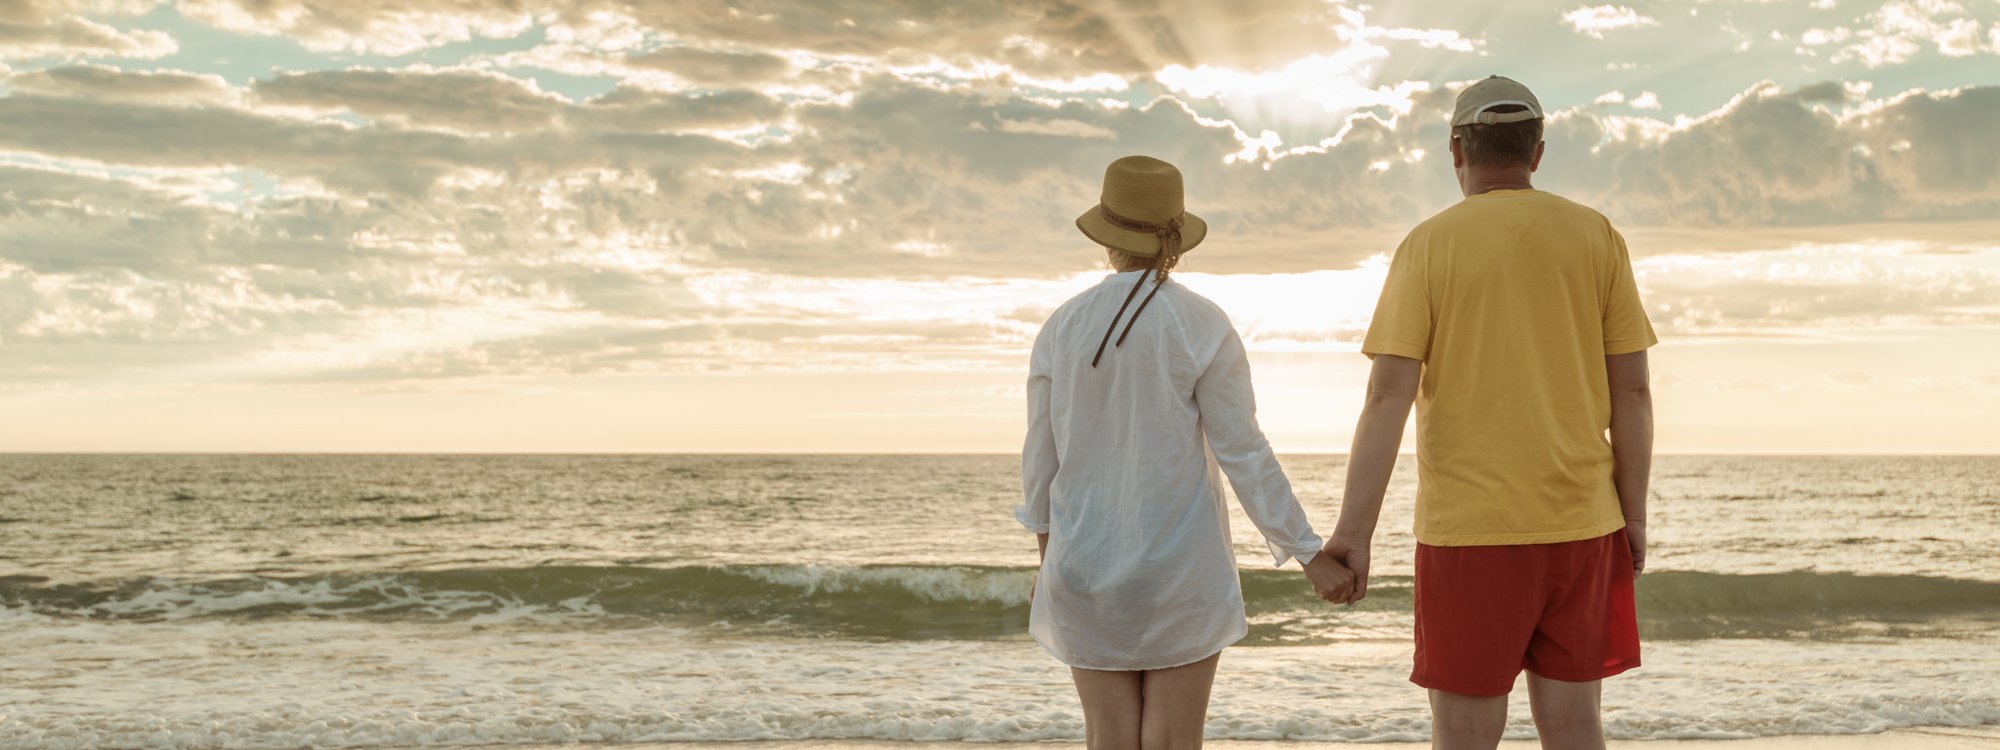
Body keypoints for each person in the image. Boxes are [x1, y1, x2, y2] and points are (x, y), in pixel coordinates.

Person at [1316, 76, 1658, 750]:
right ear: (1536, 153)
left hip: (1469, 534)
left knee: (1465, 733)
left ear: (1455, 150)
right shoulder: (1596, 236)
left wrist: (1353, 534)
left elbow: (1388, 396)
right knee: (1575, 726)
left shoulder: (1428, 244)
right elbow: (1635, 394)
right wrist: (1634, 513)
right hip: (1583, 525)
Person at [1016, 155, 1356, 750]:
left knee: (1108, 740)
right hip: (1179, 571)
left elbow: (1040, 464)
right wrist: (1308, 554)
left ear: (1107, 234)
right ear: (1175, 239)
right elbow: (1243, 451)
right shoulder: (1200, 322)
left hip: (1084, 567)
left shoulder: (1060, 326)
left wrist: (1050, 564)